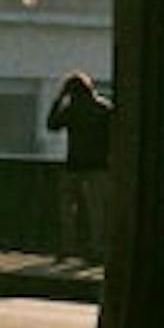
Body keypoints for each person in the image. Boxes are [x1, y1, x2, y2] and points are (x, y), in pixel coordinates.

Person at [45, 71, 113, 262]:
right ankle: (97, 249)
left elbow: (52, 125)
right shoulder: (105, 108)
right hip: (99, 166)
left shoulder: (72, 110)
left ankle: (67, 247)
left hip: (73, 164)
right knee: (97, 211)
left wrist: (58, 100)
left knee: (68, 209)